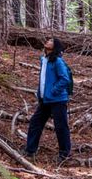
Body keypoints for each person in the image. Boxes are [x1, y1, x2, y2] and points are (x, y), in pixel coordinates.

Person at [24, 37, 72, 165]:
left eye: (51, 40)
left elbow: (64, 79)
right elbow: (44, 79)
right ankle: (30, 150)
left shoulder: (58, 61)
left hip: (58, 100)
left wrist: (52, 92)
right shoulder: (43, 60)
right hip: (45, 100)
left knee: (61, 126)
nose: (48, 41)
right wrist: (40, 93)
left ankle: (64, 154)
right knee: (35, 122)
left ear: (55, 46)